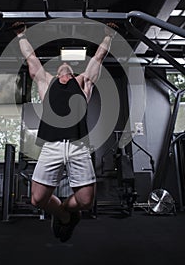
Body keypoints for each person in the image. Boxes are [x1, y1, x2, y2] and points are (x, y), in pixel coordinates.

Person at [12, 21, 117, 242]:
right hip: (52, 144)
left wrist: (109, 35)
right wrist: (22, 35)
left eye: (68, 66)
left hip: (78, 144)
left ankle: (68, 212)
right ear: (56, 71)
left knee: (87, 201)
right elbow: (31, 58)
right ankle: (62, 214)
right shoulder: (46, 81)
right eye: (61, 65)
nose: (64, 66)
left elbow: (98, 57)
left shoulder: (83, 81)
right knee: (38, 200)